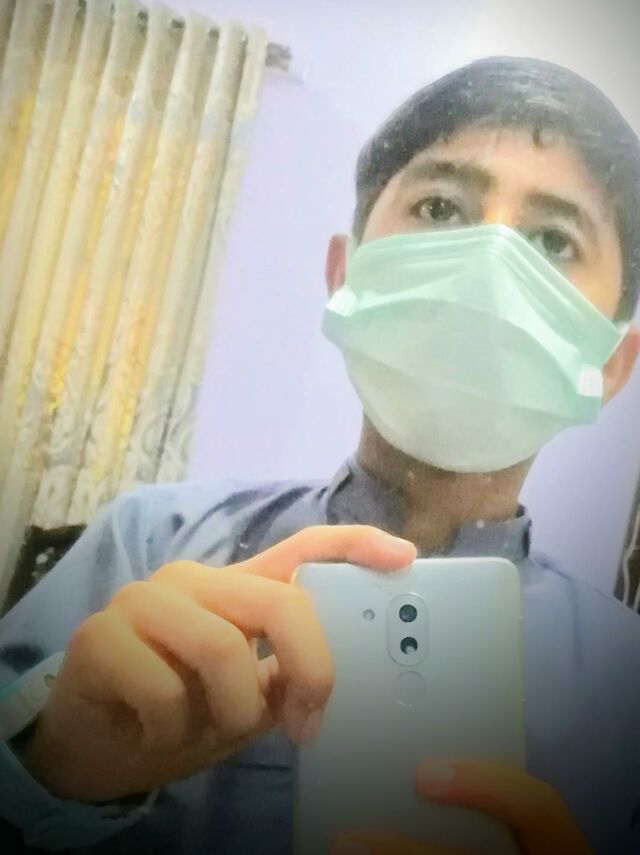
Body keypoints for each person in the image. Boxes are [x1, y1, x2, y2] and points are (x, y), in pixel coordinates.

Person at [1, 55, 640, 855]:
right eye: (441, 207)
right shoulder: (149, 542)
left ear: (610, 365)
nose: (488, 267)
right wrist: (42, 768)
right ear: (345, 275)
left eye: (553, 239)